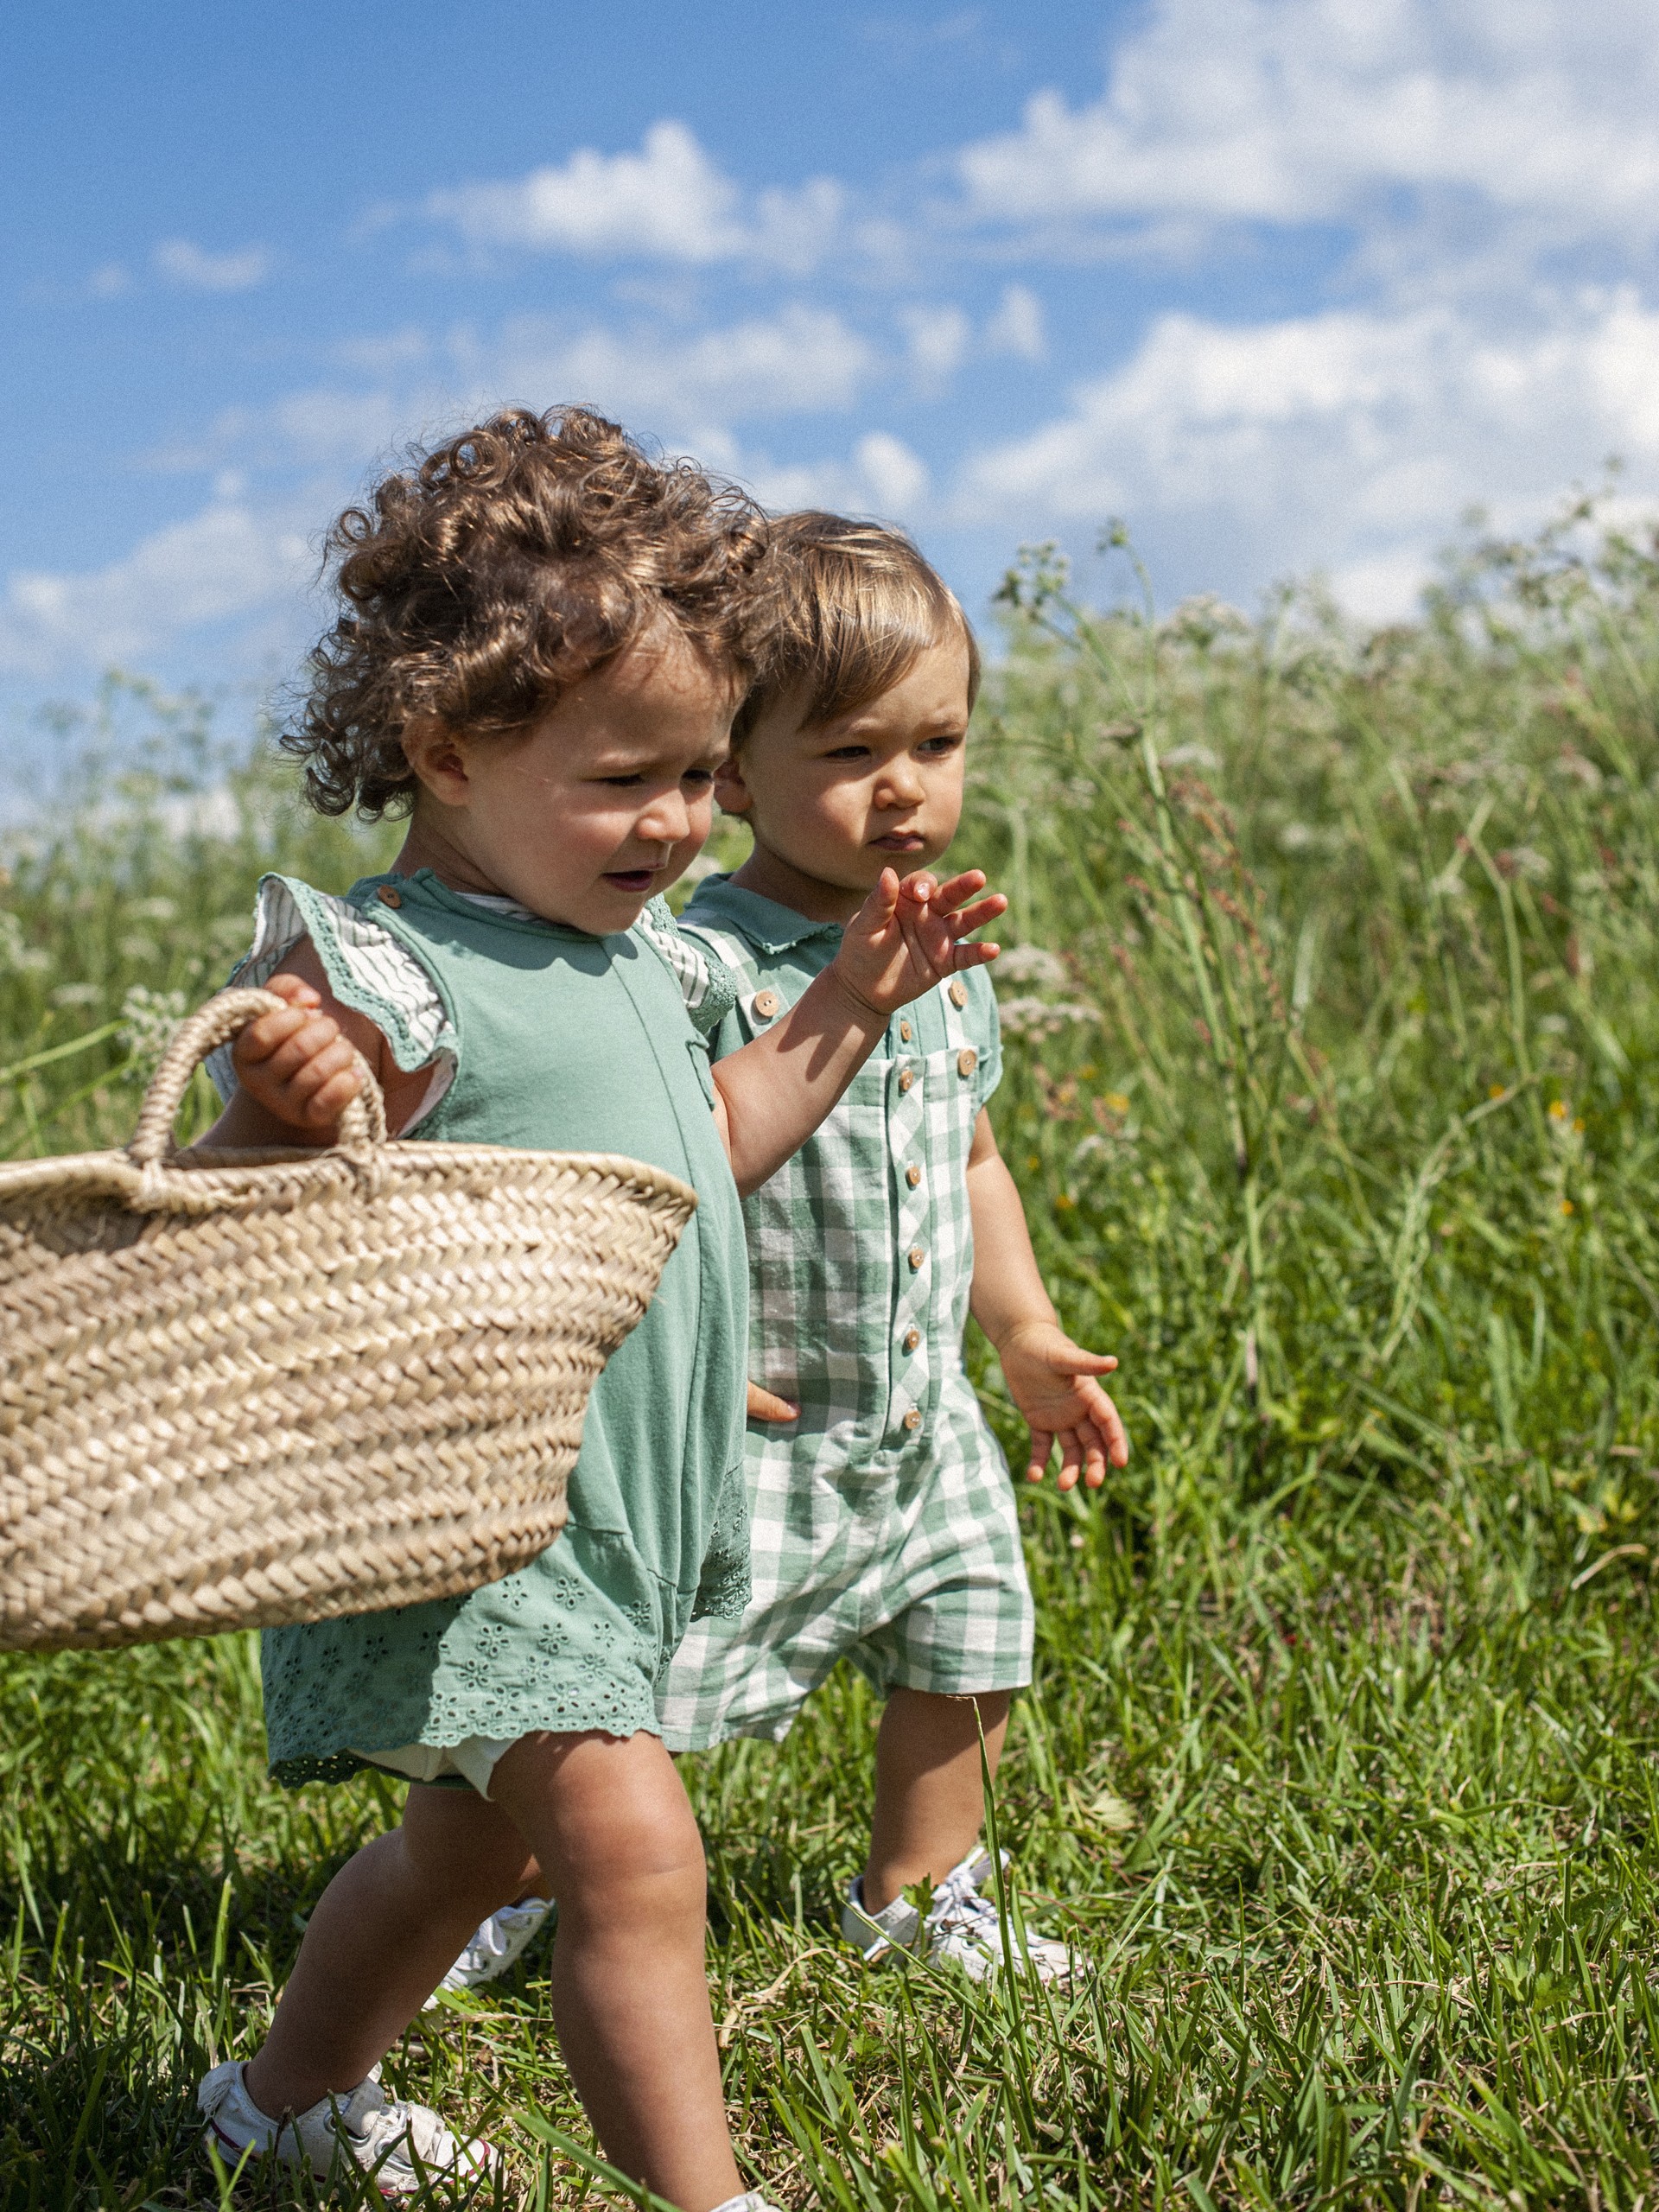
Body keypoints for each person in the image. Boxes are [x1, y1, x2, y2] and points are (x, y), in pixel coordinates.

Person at [191, 417, 1006, 2210]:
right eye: (630, 776)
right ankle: (707, 2200)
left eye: (708, 774)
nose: (684, 821)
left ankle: (279, 2098)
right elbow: (225, 1223)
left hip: (614, 1513)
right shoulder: (380, 961)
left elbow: (708, 1143)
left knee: (463, 1848)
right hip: (471, 1518)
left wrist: (849, 1010)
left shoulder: (629, 951)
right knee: (633, 1849)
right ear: (443, 751)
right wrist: (275, 1104)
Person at [448, 513, 1128, 1998]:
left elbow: (973, 1154)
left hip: (911, 1411)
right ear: (735, 770)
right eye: (850, 752)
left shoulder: (944, 953)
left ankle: (921, 1890)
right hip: (739, 1423)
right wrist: (664, 1345)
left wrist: (1020, 1334)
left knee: (971, 1638)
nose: (905, 788)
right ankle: (484, 1886)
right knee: (616, 1696)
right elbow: (664, 1163)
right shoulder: (693, 962)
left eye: (937, 743)